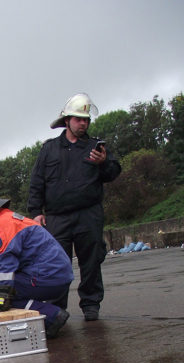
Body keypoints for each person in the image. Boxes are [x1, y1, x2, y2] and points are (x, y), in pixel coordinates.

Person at [27, 93, 121, 321]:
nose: (83, 123)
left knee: (91, 261)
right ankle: (57, 308)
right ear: (67, 120)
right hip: (57, 218)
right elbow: (36, 182)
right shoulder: (49, 149)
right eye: (79, 119)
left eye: (86, 119)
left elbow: (113, 173)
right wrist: (36, 213)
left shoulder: (95, 147)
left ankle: (91, 304)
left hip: (89, 215)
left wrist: (104, 162)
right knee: (57, 265)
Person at [0, 192, 74, 338]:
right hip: (55, 274)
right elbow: (13, 259)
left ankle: (52, 315)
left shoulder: (1, 228)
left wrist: (1, 301)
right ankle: (47, 315)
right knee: (2, 294)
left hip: (48, 276)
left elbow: (6, 270)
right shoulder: (7, 219)